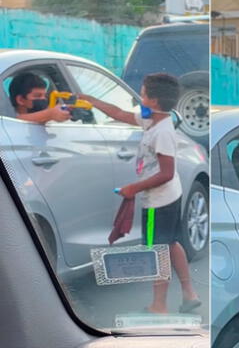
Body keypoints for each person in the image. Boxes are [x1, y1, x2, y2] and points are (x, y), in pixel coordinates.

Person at [79, 73, 200, 314]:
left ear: (153, 101)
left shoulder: (162, 132)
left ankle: (159, 305)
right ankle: (189, 293)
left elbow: (166, 172)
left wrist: (133, 188)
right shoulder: (152, 121)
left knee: (158, 250)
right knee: (171, 243)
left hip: (159, 201)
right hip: (169, 196)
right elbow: (120, 114)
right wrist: (91, 100)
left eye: (142, 94)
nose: (140, 98)